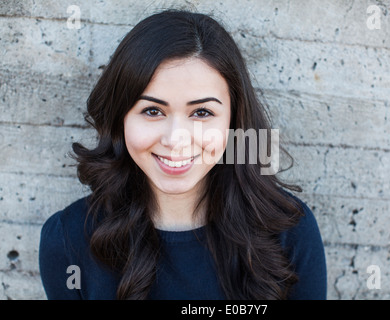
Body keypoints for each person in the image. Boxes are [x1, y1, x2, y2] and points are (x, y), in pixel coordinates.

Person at [39, 9, 327, 300]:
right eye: (152, 111)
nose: (176, 139)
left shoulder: (290, 231)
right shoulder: (67, 240)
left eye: (202, 112)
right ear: (120, 119)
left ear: (233, 121)